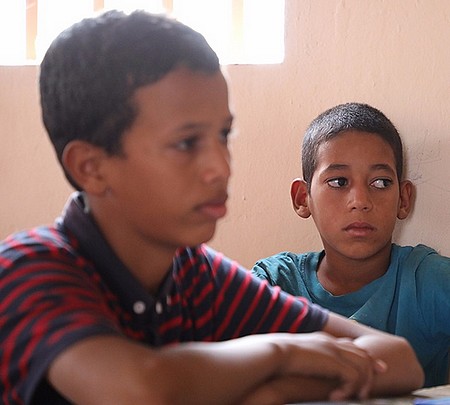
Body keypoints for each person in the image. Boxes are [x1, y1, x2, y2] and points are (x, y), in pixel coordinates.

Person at [0, 12, 423, 405]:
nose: (221, 167)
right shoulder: (28, 269)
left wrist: (271, 390)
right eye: (187, 143)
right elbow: (139, 390)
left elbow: (397, 358)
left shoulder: (195, 274)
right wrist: (279, 351)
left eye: (223, 135)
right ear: (91, 168)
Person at [252, 102, 450, 388]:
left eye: (380, 183)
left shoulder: (428, 281)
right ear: (302, 198)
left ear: (403, 199)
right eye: (339, 182)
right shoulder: (275, 284)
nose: (360, 201)